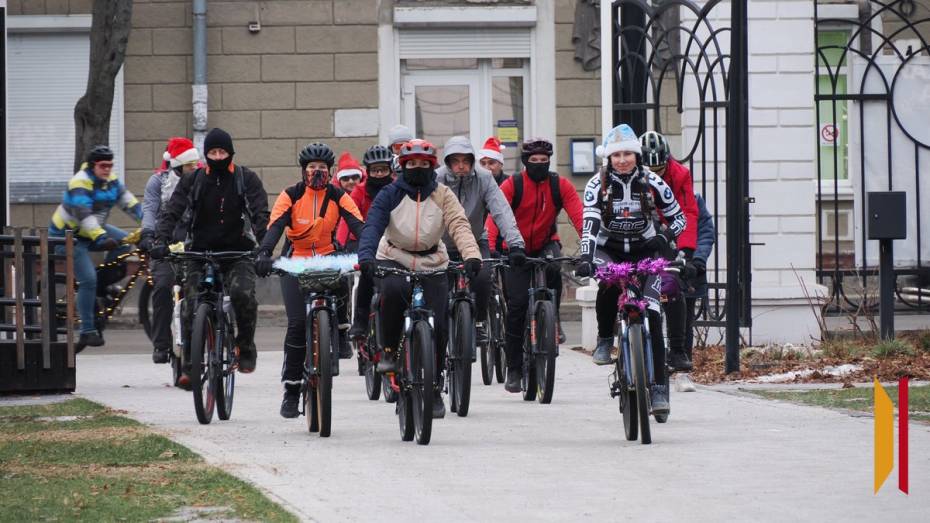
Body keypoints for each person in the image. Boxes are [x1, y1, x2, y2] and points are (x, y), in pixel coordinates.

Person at [357, 139, 481, 419]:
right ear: (402, 166)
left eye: (424, 165)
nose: (418, 169)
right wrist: (366, 256)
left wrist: (472, 255)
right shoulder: (389, 193)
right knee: (391, 292)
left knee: (438, 326)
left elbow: (459, 224)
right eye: (411, 164)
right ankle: (389, 351)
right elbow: (374, 224)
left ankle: (434, 387)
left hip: (432, 260)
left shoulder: (443, 194)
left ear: (432, 167)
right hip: (394, 256)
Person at [574, 124, 686, 415]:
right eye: (616, 155)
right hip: (608, 249)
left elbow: (680, 219)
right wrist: (586, 256)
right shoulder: (595, 185)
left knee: (651, 312)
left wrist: (664, 238)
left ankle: (660, 389)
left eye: (628, 154)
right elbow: (590, 224)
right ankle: (604, 340)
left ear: (637, 155)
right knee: (609, 285)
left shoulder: (653, 182)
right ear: (608, 158)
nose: (622, 160)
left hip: (646, 249)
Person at [254, 143, 364, 419]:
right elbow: (276, 225)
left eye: (322, 169)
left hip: (327, 257)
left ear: (330, 172)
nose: (317, 172)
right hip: (296, 261)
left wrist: (368, 250)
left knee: (342, 277)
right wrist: (265, 252)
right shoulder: (290, 195)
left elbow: (358, 225)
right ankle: (291, 390)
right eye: (312, 168)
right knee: (296, 325)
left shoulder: (339, 195)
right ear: (304, 171)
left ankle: (339, 331)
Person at [151, 128, 269, 376]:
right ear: (206, 155)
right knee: (190, 305)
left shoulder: (246, 178)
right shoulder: (192, 180)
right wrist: (161, 240)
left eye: (222, 152)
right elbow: (172, 212)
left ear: (230, 153)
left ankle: (245, 347)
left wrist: (264, 249)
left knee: (243, 295)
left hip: (237, 253)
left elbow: (260, 215)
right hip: (200, 253)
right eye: (213, 152)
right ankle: (190, 364)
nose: (217, 157)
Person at [486, 137, 584, 393]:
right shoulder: (513, 184)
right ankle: (515, 369)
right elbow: (496, 215)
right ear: (525, 162)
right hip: (514, 248)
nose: (539, 164)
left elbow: (579, 215)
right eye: (534, 161)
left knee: (553, 268)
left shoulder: (559, 185)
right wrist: (494, 248)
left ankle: (553, 318)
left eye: (544, 161)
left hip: (545, 243)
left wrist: (589, 245)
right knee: (517, 306)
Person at [50, 144, 143, 349]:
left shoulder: (110, 181)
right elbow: (84, 215)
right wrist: (101, 238)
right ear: (92, 166)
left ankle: (101, 287)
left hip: (93, 230)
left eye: (110, 165)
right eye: (103, 166)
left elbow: (130, 204)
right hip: (67, 234)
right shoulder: (80, 182)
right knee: (88, 280)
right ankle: (87, 331)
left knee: (125, 242)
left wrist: (150, 225)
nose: (107, 169)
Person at [435, 136, 526, 346]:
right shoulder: (436, 179)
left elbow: (501, 210)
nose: (461, 166)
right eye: (455, 161)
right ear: (447, 162)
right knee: (438, 284)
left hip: (476, 240)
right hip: (441, 244)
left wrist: (516, 244)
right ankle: (440, 327)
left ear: (472, 160)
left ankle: (479, 322)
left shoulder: (484, 178)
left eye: (465, 160)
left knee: (483, 277)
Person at [640, 131, 699, 371]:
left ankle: (677, 350)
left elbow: (688, 212)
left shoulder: (681, 174)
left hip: (670, 233)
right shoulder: (631, 175)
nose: (656, 176)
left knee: (673, 286)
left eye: (660, 170)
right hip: (639, 233)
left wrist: (685, 251)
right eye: (650, 171)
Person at [139, 137, 200, 364]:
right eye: (189, 165)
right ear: (176, 165)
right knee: (163, 286)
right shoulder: (157, 182)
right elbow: (150, 210)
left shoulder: (201, 181)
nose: (195, 168)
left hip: (193, 244)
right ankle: (161, 344)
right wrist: (148, 235)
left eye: (196, 164)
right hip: (164, 245)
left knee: (200, 291)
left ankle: (203, 336)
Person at [344, 144, 395, 337]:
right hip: (363, 239)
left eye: (383, 169)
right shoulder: (359, 191)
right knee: (366, 275)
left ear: (390, 169)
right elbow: (347, 217)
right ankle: (360, 322)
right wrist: (341, 244)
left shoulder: (397, 189)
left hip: (392, 241)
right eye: (375, 170)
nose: (379, 174)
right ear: (368, 171)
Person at [683, 193, 716, 364]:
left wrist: (698, 260)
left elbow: (705, 231)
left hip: (686, 268)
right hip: (653, 265)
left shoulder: (693, 199)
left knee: (683, 322)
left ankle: (683, 368)